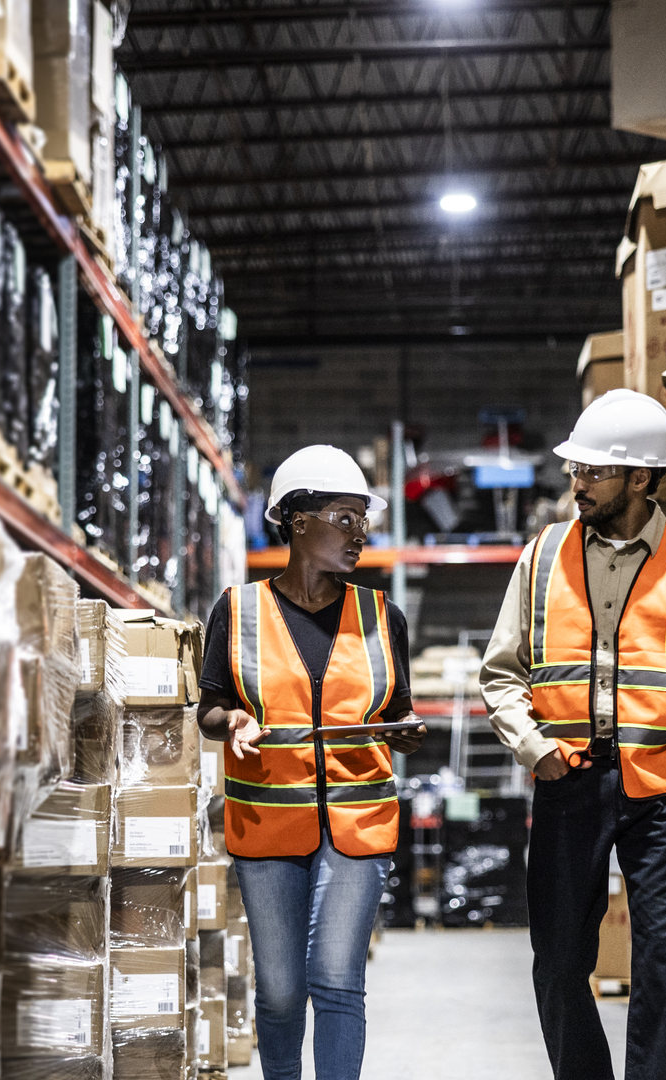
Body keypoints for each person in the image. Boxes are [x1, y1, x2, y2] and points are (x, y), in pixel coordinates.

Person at [480, 390, 666, 1080]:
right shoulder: (543, 557)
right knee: (557, 963)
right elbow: (500, 674)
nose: (577, 484)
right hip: (566, 780)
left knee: (665, 964)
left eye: (593, 473)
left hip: (661, 792)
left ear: (641, 478)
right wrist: (534, 747)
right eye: (574, 471)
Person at [197, 444, 427, 1080]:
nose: (361, 534)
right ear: (298, 522)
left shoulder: (384, 616)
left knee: (334, 978)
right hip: (267, 828)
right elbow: (209, 708)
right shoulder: (237, 611)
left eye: (364, 520)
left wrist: (404, 733)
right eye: (345, 518)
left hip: (359, 827)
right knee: (277, 990)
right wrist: (234, 720)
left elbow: (396, 710)